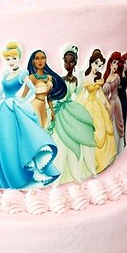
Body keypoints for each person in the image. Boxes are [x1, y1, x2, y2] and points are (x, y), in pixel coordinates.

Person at [0, 42, 60, 189]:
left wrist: (22, 100)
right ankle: (2, 176)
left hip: (14, 107)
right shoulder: (6, 74)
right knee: (2, 139)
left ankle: (22, 173)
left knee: (16, 138)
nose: (11, 62)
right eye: (8, 59)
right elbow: (0, 93)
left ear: (19, 58)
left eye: (14, 58)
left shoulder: (22, 74)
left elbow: (32, 89)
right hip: (4, 107)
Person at [49, 46, 96, 184]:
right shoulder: (60, 79)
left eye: (71, 62)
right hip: (61, 110)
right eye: (66, 61)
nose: (68, 64)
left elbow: (76, 93)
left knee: (82, 132)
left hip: (71, 107)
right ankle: (59, 172)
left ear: (75, 63)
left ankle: (80, 169)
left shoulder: (75, 79)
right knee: (60, 138)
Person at [76, 49, 116, 173]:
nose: (98, 67)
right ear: (91, 62)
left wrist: (106, 103)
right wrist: (77, 105)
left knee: (102, 128)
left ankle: (103, 159)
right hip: (88, 105)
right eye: (96, 63)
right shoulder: (86, 78)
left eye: (100, 65)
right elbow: (82, 93)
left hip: (97, 106)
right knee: (89, 130)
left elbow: (100, 93)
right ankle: (90, 160)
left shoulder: (99, 79)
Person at [24, 50, 67, 129]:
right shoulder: (32, 78)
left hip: (44, 106)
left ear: (46, 59)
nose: (40, 61)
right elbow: (24, 95)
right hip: (35, 105)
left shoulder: (49, 78)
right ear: (33, 61)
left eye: (42, 58)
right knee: (38, 127)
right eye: (37, 58)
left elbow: (49, 97)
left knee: (45, 127)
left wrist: (52, 110)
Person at [103, 51, 125, 153]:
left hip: (115, 101)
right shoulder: (106, 77)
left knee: (117, 123)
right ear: (110, 63)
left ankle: (117, 147)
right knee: (109, 123)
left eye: (117, 63)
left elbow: (113, 89)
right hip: (110, 102)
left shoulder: (117, 77)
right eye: (114, 63)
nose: (115, 66)